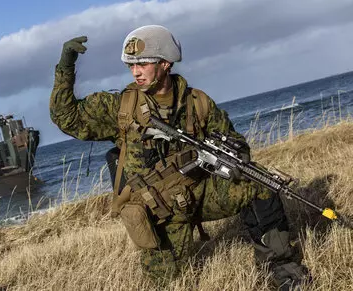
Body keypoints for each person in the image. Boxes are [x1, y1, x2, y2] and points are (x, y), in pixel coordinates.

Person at [49, 25, 308, 289]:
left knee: (259, 183)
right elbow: (66, 118)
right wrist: (65, 67)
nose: (136, 71)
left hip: (201, 194)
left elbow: (237, 145)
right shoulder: (120, 108)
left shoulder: (198, 103)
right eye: (131, 66)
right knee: (171, 283)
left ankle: (283, 269)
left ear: (165, 63)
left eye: (143, 64)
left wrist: (228, 157)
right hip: (162, 214)